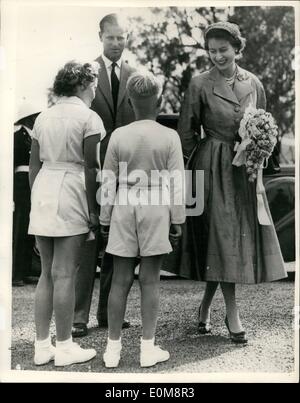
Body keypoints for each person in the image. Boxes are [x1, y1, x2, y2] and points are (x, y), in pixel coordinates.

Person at [177, 22, 287, 343]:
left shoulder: (253, 82)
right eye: (212, 50)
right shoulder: (199, 84)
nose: (217, 56)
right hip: (212, 167)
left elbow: (262, 123)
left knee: (228, 242)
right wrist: (190, 173)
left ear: (237, 48)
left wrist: (258, 151)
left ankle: (204, 308)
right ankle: (233, 313)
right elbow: (186, 132)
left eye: (223, 50)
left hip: (244, 171)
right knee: (224, 238)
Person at [99, 71, 185, 368]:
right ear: (159, 101)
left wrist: (105, 217)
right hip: (156, 205)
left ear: (129, 102)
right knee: (150, 281)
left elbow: (108, 180)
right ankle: (147, 349)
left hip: (125, 204)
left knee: (120, 280)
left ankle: (112, 350)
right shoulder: (169, 136)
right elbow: (176, 181)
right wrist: (178, 218)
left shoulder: (119, 135)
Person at [29, 61, 105, 366]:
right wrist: (94, 210)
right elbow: (92, 167)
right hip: (72, 190)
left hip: (44, 190)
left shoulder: (43, 117)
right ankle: (64, 347)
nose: (96, 89)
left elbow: (34, 166)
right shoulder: (90, 117)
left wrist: (37, 201)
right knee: (64, 274)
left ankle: (41, 347)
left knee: (46, 273)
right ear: (83, 84)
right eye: (94, 84)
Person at [72, 13, 136, 337]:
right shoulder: (86, 75)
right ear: (100, 36)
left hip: (124, 170)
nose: (116, 43)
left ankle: (108, 313)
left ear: (128, 38)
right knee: (89, 240)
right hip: (92, 166)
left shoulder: (135, 75)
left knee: (117, 241)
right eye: (110, 37)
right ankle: (78, 317)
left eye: (121, 37)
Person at [13, 104, 40, 286]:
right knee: (20, 227)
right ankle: (16, 273)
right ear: (30, 119)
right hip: (22, 182)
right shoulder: (18, 137)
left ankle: (26, 269)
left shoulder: (32, 137)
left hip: (32, 181)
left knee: (30, 226)